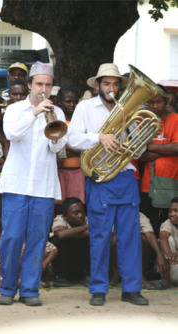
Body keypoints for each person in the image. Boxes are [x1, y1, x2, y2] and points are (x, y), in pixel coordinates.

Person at [68, 63, 148, 306]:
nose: (111, 88)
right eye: (106, 84)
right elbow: (72, 139)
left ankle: (131, 289)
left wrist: (135, 135)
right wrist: (99, 138)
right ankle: (99, 289)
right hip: (100, 178)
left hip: (124, 177)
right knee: (100, 236)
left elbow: (142, 149)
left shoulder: (128, 109)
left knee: (130, 236)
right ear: (97, 85)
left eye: (115, 84)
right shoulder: (85, 107)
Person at [0, 61, 67, 307]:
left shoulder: (58, 113)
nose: (44, 89)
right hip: (16, 184)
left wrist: (53, 122)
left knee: (37, 239)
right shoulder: (15, 110)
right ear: (29, 85)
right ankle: (7, 287)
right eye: (39, 84)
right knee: (12, 238)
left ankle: (29, 290)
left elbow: (57, 148)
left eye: (48, 85)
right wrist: (35, 113)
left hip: (44, 187)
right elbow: (12, 134)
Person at [139, 90, 178, 233]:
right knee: (150, 224)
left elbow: (176, 147)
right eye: (151, 102)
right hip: (148, 184)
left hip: (171, 180)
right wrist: (166, 149)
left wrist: (150, 147)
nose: (154, 106)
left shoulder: (176, 119)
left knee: (169, 225)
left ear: (166, 102)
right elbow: (140, 155)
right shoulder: (145, 122)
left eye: (158, 102)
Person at [51, 197, 90, 284]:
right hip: (65, 262)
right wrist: (86, 227)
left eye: (82, 212)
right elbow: (61, 235)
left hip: (82, 261)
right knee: (59, 241)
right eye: (76, 213)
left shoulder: (87, 219)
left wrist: (73, 233)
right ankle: (61, 277)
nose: (80, 215)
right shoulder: (60, 219)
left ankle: (85, 275)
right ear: (65, 216)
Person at [159, 198, 178, 285]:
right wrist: (170, 255)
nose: (172, 214)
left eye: (176, 211)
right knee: (167, 240)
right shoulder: (168, 223)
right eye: (170, 211)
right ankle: (168, 278)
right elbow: (163, 237)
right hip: (173, 263)